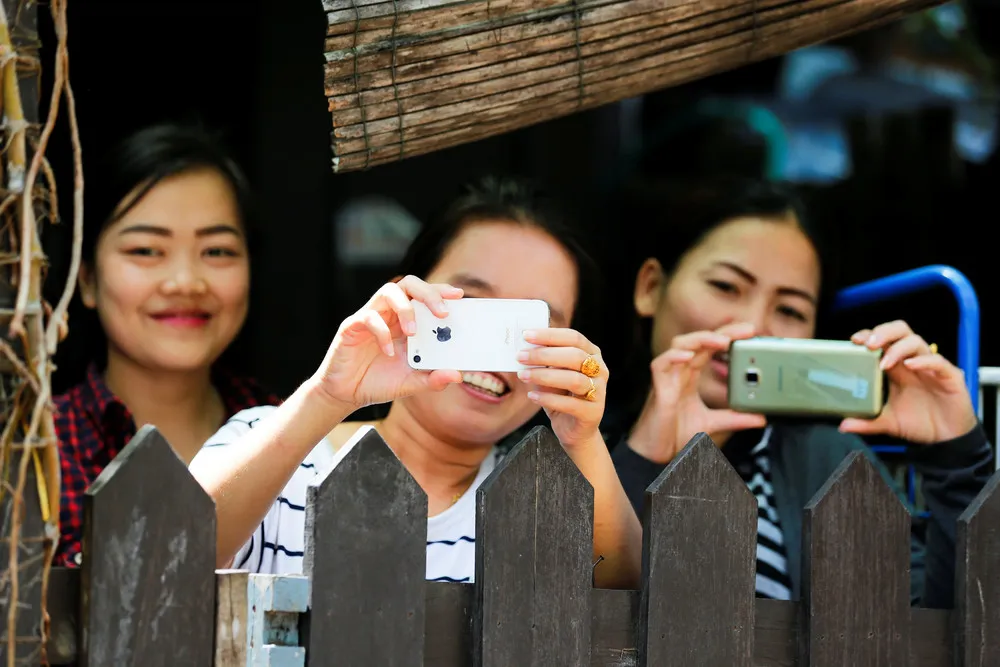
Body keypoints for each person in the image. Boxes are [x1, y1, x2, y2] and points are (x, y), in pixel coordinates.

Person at [190, 177, 642, 588]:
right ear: (403, 300)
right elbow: (170, 550)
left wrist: (582, 440)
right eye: (470, 303)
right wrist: (328, 396)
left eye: (526, 322)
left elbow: (637, 610)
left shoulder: (546, 505)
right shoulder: (263, 436)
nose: (488, 348)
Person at [607, 176, 992, 608]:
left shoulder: (829, 462)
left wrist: (957, 455)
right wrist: (644, 458)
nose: (753, 328)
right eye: (725, 286)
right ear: (651, 288)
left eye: (790, 310)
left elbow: (946, 628)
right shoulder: (573, 436)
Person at [54, 124, 279, 567]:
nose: (185, 282)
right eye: (145, 251)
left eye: (216, 251)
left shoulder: (289, 430)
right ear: (87, 280)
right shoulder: (38, 450)